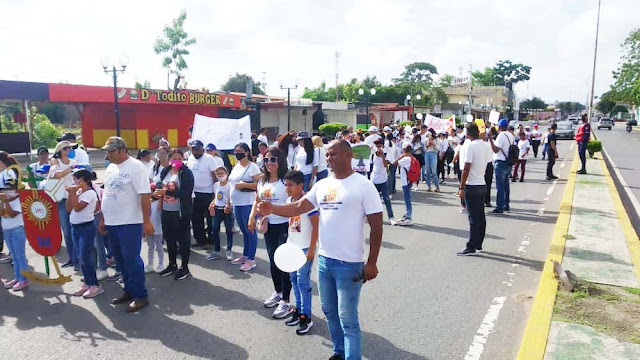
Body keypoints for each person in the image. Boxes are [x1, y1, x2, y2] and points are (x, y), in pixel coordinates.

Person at [256, 139, 383, 360]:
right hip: (325, 262)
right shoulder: (323, 184)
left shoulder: (363, 185)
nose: (329, 158)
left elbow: (377, 226)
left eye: (333, 154)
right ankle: (339, 352)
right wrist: (272, 208)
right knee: (330, 312)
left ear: (348, 155)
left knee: (348, 318)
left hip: (350, 265)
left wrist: (371, 262)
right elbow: (298, 207)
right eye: (327, 155)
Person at [99, 136, 153, 313]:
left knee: (131, 259)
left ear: (123, 150)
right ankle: (129, 290)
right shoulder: (111, 168)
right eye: (107, 151)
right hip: (112, 221)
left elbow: (144, 195)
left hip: (129, 222)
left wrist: (146, 221)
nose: (108, 155)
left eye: (111, 151)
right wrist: (102, 218)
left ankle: (140, 295)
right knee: (120, 260)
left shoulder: (136, 167)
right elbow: (106, 194)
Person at [249, 147, 294, 318]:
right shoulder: (262, 181)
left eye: (273, 159)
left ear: (280, 161)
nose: (269, 163)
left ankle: (286, 301)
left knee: (284, 263)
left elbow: (295, 203)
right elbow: (257, 201)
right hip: (268, 226)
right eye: (266, 160)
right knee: (273, 261)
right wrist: (252, 217)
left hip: (284, 225)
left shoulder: (286, 181)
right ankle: (278, 292)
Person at [283, 170, 319, 335]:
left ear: (300, 186)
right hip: (292, 246)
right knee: (293, 279)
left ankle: (306, 317)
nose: (287, 189)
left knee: (303, 281)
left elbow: (316, 225)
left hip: (305, 248)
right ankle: (298, 310)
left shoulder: (307, 203)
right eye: (286, 185)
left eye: (290, 185)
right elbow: (292, 224)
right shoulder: (289, 200)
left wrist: (311, 248)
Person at [156, 148, 195, 280]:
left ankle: (184, 267)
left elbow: (186, 192)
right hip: (166, 211)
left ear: (183, 159)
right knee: (169, 239)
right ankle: (172, 264)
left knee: (183, 240)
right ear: (169, 159)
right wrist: (157, 189)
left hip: (180, 212)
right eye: (174, 158)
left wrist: (166, 193)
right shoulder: (166, 170)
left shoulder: (186, 173)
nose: (176, 161)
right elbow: (160, 183)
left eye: (179, 158)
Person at [67, 168, 103, 298]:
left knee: (85, 257)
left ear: (82, 180)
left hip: (86, 228)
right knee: (81, 257)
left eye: (76, 179)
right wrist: (71, 194)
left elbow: (77, 208)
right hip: (75, 227)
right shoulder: (78, 192)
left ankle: (95, 285)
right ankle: (87, 283)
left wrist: (73, 194)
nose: (74, 182)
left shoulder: (90, 193)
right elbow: (69, 208)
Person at [457, 122, 492, 256]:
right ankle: (478, 244)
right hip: (481, 183)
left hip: (471, 184)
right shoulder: (485, 145)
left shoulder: (471, 146)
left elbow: (466, 168)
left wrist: (461, 186)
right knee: (481, 217)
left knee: (473, 218)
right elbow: (488, 164)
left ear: (468, 133)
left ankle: (471, 246)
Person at [228, 142, 261, 271]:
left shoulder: (252, 167)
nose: (237, 153)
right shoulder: (236, 166)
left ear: (247, 152)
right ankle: (245, 255)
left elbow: (260, 184)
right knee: (244, 232)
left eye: (240, 150)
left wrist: (245, 185)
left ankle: (251, 259)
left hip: (248, 204)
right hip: (237, 203)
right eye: (236, 150)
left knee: (250, 231)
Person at [49, 140, 79, 269]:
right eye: (67, 149)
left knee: (75, 228)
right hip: (61, 199)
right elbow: (56, 175)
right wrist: (69, 169)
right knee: (66, 230)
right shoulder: (55, 162)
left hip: (73, 198)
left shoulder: (75, 163)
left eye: (70, 149)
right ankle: (72, 258)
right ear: (61, 150)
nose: (70, 151)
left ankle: (78, 258)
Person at [0, 158, 29, 291]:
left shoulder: (19, 200)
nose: (6, 191)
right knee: (14, 257)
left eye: (9, 188)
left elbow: (11, 214)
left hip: (17, 230)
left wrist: (6, 202)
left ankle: (23, 279)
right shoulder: (4, 198)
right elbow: (2, 213)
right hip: (6, 230)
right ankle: (17, 277)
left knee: (20, 256)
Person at [187, 140, 222, 249]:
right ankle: (200, 240)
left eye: (197, 149)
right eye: (193, 149)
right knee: (196, 218)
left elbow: (215, 177)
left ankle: (212, 240)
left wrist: (215, 194)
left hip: (208, 193)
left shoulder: (209, 159)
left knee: (210, 219)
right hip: (194, 193)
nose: (195, 151)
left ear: (202, 149)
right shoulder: (190, 158)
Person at [146, 149, 167, 274]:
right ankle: (149, 264)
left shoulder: (159, 203)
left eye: (154, 190)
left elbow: (159, 206)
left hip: (158, 229)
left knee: (159, 247)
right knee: (150, 247)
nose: (152, 192)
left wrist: (160, 196)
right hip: (149, 229)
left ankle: (160, 264)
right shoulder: (147, 202)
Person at [206, 167, 234, 261]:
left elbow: (231, 197)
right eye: (218, 174)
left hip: (226, 210)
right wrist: (212, 203)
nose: (220, 176)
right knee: (215, 230)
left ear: (227, 174)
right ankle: (217, 251)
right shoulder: (216, 185)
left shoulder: (230, 185)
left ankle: (229, 250)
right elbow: (216, 197)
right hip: (217, 210)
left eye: (222, 173)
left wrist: (228, 205)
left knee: (229, 231)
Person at [489, 119, 516, 214]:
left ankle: (499, 207)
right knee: (506, 185)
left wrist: (491, 140)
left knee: (500, 186)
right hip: (509, 162)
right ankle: (506, 205)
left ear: (499, 127)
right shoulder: (511, 135)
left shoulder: (501, 136)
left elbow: (496, 149)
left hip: (501, 162)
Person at [370, 139, 396, 225]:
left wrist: (382, 156)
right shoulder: (372, 154)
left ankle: (391, 217)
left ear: (383, 146)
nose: (378, 148)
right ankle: (370, 217)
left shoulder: (386, 154)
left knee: (386, 199)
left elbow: (385, 165)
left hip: (383, 179)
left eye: (380, 146)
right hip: (374, 179)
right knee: (371, 200)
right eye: (377, 146)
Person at [393, 142, 415, 226]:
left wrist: (401, 156)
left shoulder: (406, 159)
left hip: (406, 181)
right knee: (407, 198)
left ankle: (408, 217)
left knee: (407, 199)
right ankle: (407, 215)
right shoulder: (412, 158)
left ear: (404, 150)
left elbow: (395, 163)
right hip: (409, 180)